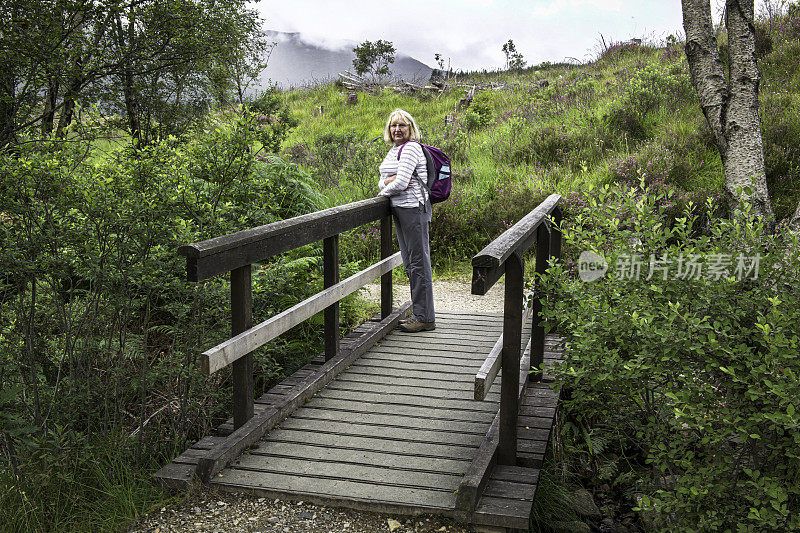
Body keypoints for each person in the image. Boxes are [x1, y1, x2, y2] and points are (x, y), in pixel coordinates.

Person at [377, 108, 435, 333]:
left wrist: (384, 191)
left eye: (402, 125)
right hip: (401, 209)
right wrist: (387, 183)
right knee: (410, 262)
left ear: (410, 128)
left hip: (413, 209)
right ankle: (419, 314)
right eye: (393, 125)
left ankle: (425, 317)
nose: (397, 129)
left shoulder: (410, 148)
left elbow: (400, 183)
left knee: (419, 262)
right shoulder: (394, 150)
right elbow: (384, 180)